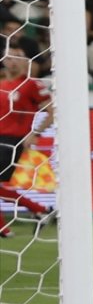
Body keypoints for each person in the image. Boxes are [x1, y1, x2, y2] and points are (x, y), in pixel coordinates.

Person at [0, 45, 51, 236]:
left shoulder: (31, 84)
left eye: (18, 57)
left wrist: (35, 133)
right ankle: (39, 210)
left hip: (12, 140)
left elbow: (52, 112)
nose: (13, 60)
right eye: (9, 57)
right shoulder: (2, 85)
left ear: (25, 62)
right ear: (3, 60)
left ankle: (5, 227)